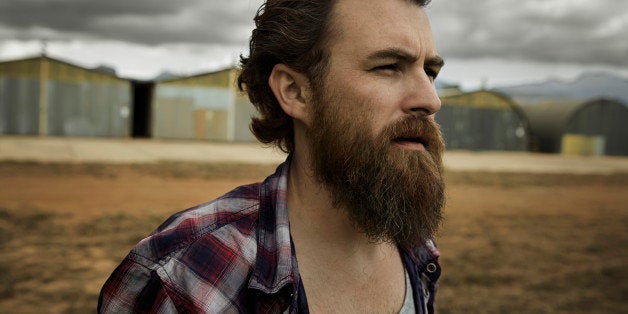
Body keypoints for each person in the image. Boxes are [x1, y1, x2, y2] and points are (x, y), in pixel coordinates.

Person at [98, 0, 445, 312]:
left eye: (429, 72)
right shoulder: (185, 278)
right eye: (388, 66)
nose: (430, 99)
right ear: (295, 91)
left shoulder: (413, 245)